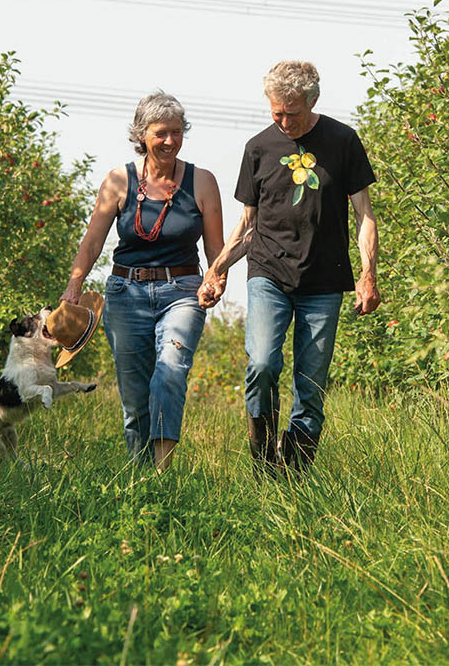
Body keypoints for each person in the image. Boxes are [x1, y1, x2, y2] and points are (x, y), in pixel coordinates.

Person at [199, 60, 380, 475]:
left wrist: (368, 274)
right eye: (276, 112)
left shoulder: (343, 141)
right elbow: (248, 225)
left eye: (292, 113)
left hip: (325, 278)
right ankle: (264, 463)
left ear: (312, 101)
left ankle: (294, 475)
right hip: (269, 273)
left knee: (311, 383)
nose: (283, 122)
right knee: (262, 363)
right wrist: (218, 270)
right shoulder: (258, 148)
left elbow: (364, 214)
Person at [60, 91, 223, 470]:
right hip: (125, 293)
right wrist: (74, 285)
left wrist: (216, 278)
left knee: (170, 372)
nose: (170, 140)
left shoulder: (202, 181)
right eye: (160, 132)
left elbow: (216, 248)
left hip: (182, 291)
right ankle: (139, 475)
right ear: (141, 134)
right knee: (134, 395)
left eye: (176, 132)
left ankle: (162, 475)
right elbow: (92, 242)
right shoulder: (118, 181)